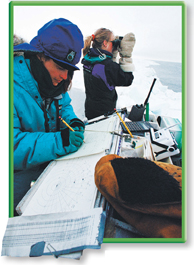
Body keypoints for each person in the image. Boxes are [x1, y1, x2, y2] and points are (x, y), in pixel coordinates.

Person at [13, 18, 85, 215]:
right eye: (61, 67)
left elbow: (64, 105)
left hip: (46, 178)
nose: (64, 77)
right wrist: (60, 141)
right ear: (40, 56)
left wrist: (73, 122)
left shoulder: (52, 82)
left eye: (69, 70)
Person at [81, 28, 135, 120]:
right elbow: (127, 80)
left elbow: (107, 75)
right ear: (105, 43)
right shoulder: (107, 66)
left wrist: (112, 54)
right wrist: (126, 56)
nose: (114, 44)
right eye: (113, 42)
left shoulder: (89, 58)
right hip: (104, 116)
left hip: (90, 112)